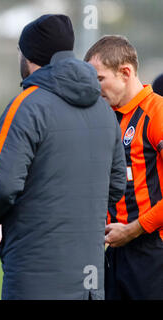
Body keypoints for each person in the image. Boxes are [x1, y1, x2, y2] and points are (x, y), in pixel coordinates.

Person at [0, 14, 126, 300]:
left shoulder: (26, 105)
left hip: (36, 274)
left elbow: (2, 186)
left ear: (30, 56)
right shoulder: (104, 110)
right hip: (91, 277)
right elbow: (114, 186)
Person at [85, 35, 163, 300]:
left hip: (152, 250)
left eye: (99, 79)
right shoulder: (107, 119)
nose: (95, 89)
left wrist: (134, 228)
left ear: (125, 72)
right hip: (116, 249)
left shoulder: (157, 113)